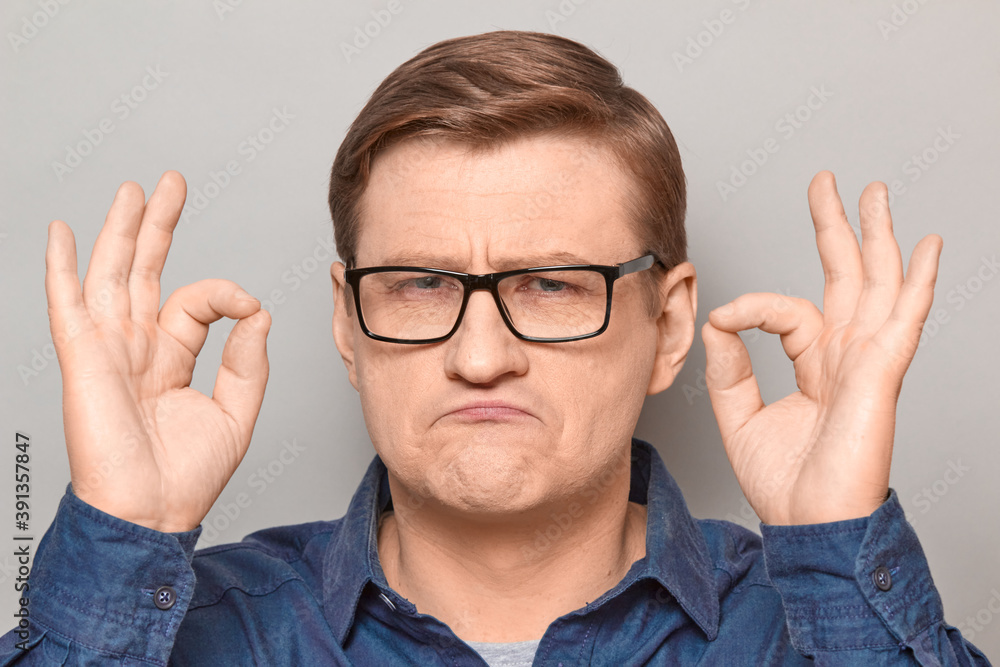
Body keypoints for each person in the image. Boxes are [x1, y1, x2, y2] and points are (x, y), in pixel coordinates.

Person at [0, 30, 991, 666]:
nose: (480, 356)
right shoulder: (204, 632)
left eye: (552, 285)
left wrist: (837, 540)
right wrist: (123, 530)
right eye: (420, 284)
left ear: (669, 325)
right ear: (347, 323)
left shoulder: (802, 630)